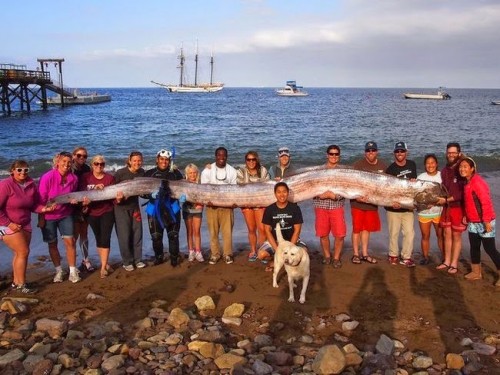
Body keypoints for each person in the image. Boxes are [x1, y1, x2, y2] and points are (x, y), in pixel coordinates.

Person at [0, 161, 53, 293]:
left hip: (25, 224)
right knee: (23, 252)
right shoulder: (6, 185)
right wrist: (9, 224)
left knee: (19, 253)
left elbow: (34, 205)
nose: (22, 172)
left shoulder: (30, 185)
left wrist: (44, 209)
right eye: (19, 170)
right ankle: (22, 286)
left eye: (25, 170)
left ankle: (16, 283)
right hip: (6, 225)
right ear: (12, 171)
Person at [38, 151, 81, 283]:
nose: (66, 164)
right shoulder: (47, 177)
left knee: (70, 242)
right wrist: (44, 212)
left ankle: (73, 272)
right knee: (52, 244)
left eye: (69, 162)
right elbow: (41, 199)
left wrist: (74, 201)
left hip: (65, 214)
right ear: (57, 163)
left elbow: (73, 196)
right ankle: (59, 270)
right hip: (49, 215)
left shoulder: (74, 178)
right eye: (64, 161)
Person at [458, 157, 500, 286]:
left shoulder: (478, 182)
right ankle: (476, 272)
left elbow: (485, 203)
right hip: (473, 222)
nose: (462, 169)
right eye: (461, 167)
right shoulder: (467, 183)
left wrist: (487, 221)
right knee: (474, 247)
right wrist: (466, 215)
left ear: (472, 169)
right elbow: (470, 203)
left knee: (490, 249)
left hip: (485, 221)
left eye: (465, 166)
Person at [144, 149, 183, 267]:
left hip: (172, 207)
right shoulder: (149, 174)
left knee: (173, 235)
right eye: (162, 159)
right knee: (156, 237)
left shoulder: (175, 173)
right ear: (157, 160)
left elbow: (183, 188)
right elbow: (140, 192)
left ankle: (174, 258)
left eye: (166, 160)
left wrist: (183, 196)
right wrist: (149, 195)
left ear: (169, 161)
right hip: (154, 209)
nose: (164, 162)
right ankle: (159, 257)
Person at [350, 141, 387, 264]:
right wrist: (356, 197)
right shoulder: (358, 164)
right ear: (365, 152)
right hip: (357, 203)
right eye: (368, 151)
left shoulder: (383, 165)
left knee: (367, 229)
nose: (370, 153)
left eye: (373, 150)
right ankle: (355, 254)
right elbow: (350, 183)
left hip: (372, 204)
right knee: (357, 229)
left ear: (377, 151)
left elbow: (387, 186)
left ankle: (365, 254)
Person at [79, 155, 116, 279]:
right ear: (92, 165)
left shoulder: (109, 178)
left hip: (107, 211)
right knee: (99, 238)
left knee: (105, 238)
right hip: (92, 212)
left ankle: (103, 267)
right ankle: (105, 263)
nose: (99, 166)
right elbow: (82, 193)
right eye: (96, 164)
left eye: (102, 164)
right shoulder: (85, 177)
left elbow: (113, 197)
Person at [201, 147, 237, 265]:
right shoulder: (207, 170)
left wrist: (233, 203)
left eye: (224, 155)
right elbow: (204, 189)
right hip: (212, 206)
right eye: (219, 155)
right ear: (215, 156)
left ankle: (227, 254)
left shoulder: (232, 171)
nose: (221, 158)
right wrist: (207, 201)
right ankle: (215, 254)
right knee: (213, 232)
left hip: (227, 207)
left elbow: (234, 189)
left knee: (227, 232)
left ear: (227, 156)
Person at [260, 182, 307, 272]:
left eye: (284, 192)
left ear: (288, 193)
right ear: (275, 194)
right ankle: (275, 261)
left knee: (304, 252)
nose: (282, 194)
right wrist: (277, 250)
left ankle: (283, 262)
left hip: (292, 241)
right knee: (261, 254)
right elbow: (267, 231)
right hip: (276, 241)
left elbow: (297, 230)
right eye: (279, 192)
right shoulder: (269, 209)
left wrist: (290, 248)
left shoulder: (295, 208)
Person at [385, 142, 418, 267]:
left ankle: (406, 257)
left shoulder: (412, 164)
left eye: (402, 151)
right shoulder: (390, 169)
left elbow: (412, 186)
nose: (400, 153)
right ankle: (393, 254)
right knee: (394, 233)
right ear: (394, 153)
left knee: (409, 233)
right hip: (393, 207)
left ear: (406, 152)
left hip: (407, 207)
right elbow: (387, 189)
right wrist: (391, 203)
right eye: (397, 151)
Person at [435, 142, 466, 274]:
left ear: (459, 153)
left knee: (456, 235)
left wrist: (447, 199)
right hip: (447, 207)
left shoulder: (462, 168)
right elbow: (444, 189)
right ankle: (447, 261)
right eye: (449, 152)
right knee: (446, 234)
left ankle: (454, 263)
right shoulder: (445, 170)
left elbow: (462, 192)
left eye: (454, 152)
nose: (451, 155)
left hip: (458, 207)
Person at [312, 145, 346, 268]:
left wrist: (335, 196)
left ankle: (336, 258)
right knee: (323, 234)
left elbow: (347, 188)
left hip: (337, 205)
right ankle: (327, 256)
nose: (334, 156)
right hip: (320, 205)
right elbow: (310, 186)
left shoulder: (344, 171)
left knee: (340, 234)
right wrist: (319, 195)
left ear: (339, 156)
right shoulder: (318, 170)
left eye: (336, 154)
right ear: (327, 155)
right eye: (331, 154)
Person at [114, 151, 146, 271]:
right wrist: (118, 199)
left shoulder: (142, 173)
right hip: (121, 208)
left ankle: (138, 260)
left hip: (135, 207)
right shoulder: (120, 173)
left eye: (139, 161)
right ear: (129, 160)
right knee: (124, 236)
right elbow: (111, 190)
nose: (137, 163)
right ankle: (127, 261)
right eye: (135, 160)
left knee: (137, 234)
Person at [236, 151, 270, 261]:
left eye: (253, 159)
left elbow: (268, 186)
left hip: (260, 203)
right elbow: (239, 187)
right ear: (246, 161)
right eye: (248, 160)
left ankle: (262, 250)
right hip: (247, 203)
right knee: (251, 229)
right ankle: (253, 251)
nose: (251, 162)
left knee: (262, 229)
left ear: (257, 160)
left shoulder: (263, 170)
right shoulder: (241, 171)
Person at [417, 153, 444, 265]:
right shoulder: (420, 177)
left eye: (432, 162)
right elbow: (417, 196)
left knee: (440, 235)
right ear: (425, 165)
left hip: (439, 212)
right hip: (424, 212)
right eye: (428, 163)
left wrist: (438, 201)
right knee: (425, 236)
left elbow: (446, 193)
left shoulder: (442, 176)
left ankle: (445, 256)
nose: (430, 165)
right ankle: (425, 256)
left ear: (436, 164)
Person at [71, 146, 94, 272]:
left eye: (84, 156)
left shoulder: (86, 169)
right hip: (71, 205)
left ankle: (85, 260)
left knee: (84, 233)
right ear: (73, 156)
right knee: (74, 235)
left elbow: (89, 186)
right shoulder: (69, 168)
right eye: (79, 155)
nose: (82, 158)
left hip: (84, 203)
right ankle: (72, 263)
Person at [182, 163, 204, 263]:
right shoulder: (183, 183)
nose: (192, 175)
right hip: (187, 209)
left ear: (197, 173)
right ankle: (191, 251)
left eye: (194, 173)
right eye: (190, 173)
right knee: (189, 231)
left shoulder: (200, 183)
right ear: (187, 174)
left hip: (198, 209)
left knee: (197, 231)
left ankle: (198, 251)